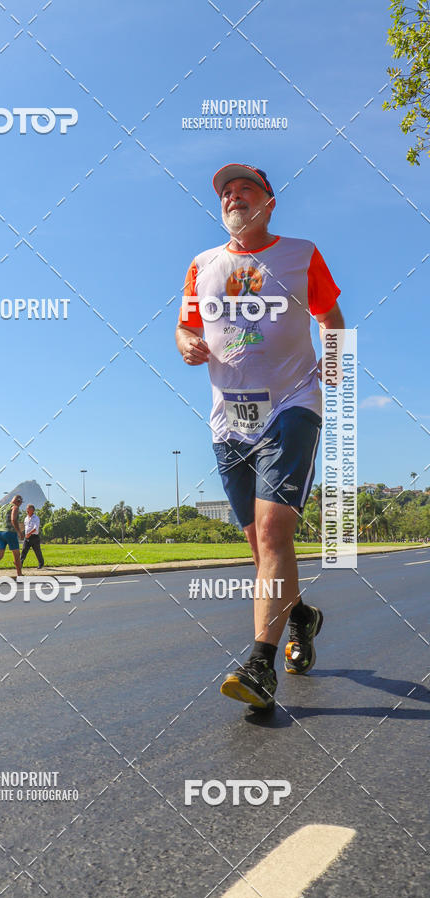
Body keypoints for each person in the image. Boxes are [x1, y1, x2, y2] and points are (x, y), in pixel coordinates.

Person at [176, 163, 345, 710]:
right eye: (226, 191)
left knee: (273, 534)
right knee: (261, 549)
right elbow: (187, 324)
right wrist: (185, 343)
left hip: (291, 406)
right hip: (229, 420)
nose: (233, 197)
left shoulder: (301, 254)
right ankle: (302, 616)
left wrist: (334, 364)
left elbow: (331, 317)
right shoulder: (202, 264)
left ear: (269, 202)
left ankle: (259, 667)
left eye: (245, 188)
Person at [0, 494, 24, 579]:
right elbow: (13, 520)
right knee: (16, 555)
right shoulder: (15, 507)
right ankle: (19, 575)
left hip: (0, 533)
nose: (21, 504)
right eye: (21, 502)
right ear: (18, 501)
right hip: (10, 533)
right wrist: (19, 532)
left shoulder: (2, 507)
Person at [20, 504, 45, 569]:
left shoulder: (36, 518)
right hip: (27, 537)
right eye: (26, 509)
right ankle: (20, 563)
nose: (26, 510)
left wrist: (29, 533)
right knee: (24, 550)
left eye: (28, 509)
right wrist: (24, 534)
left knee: (37, 551)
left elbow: (36, 528)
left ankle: (41, 563)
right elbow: (26, 527)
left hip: (34, 537)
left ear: (32, 510)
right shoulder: (26, 518)